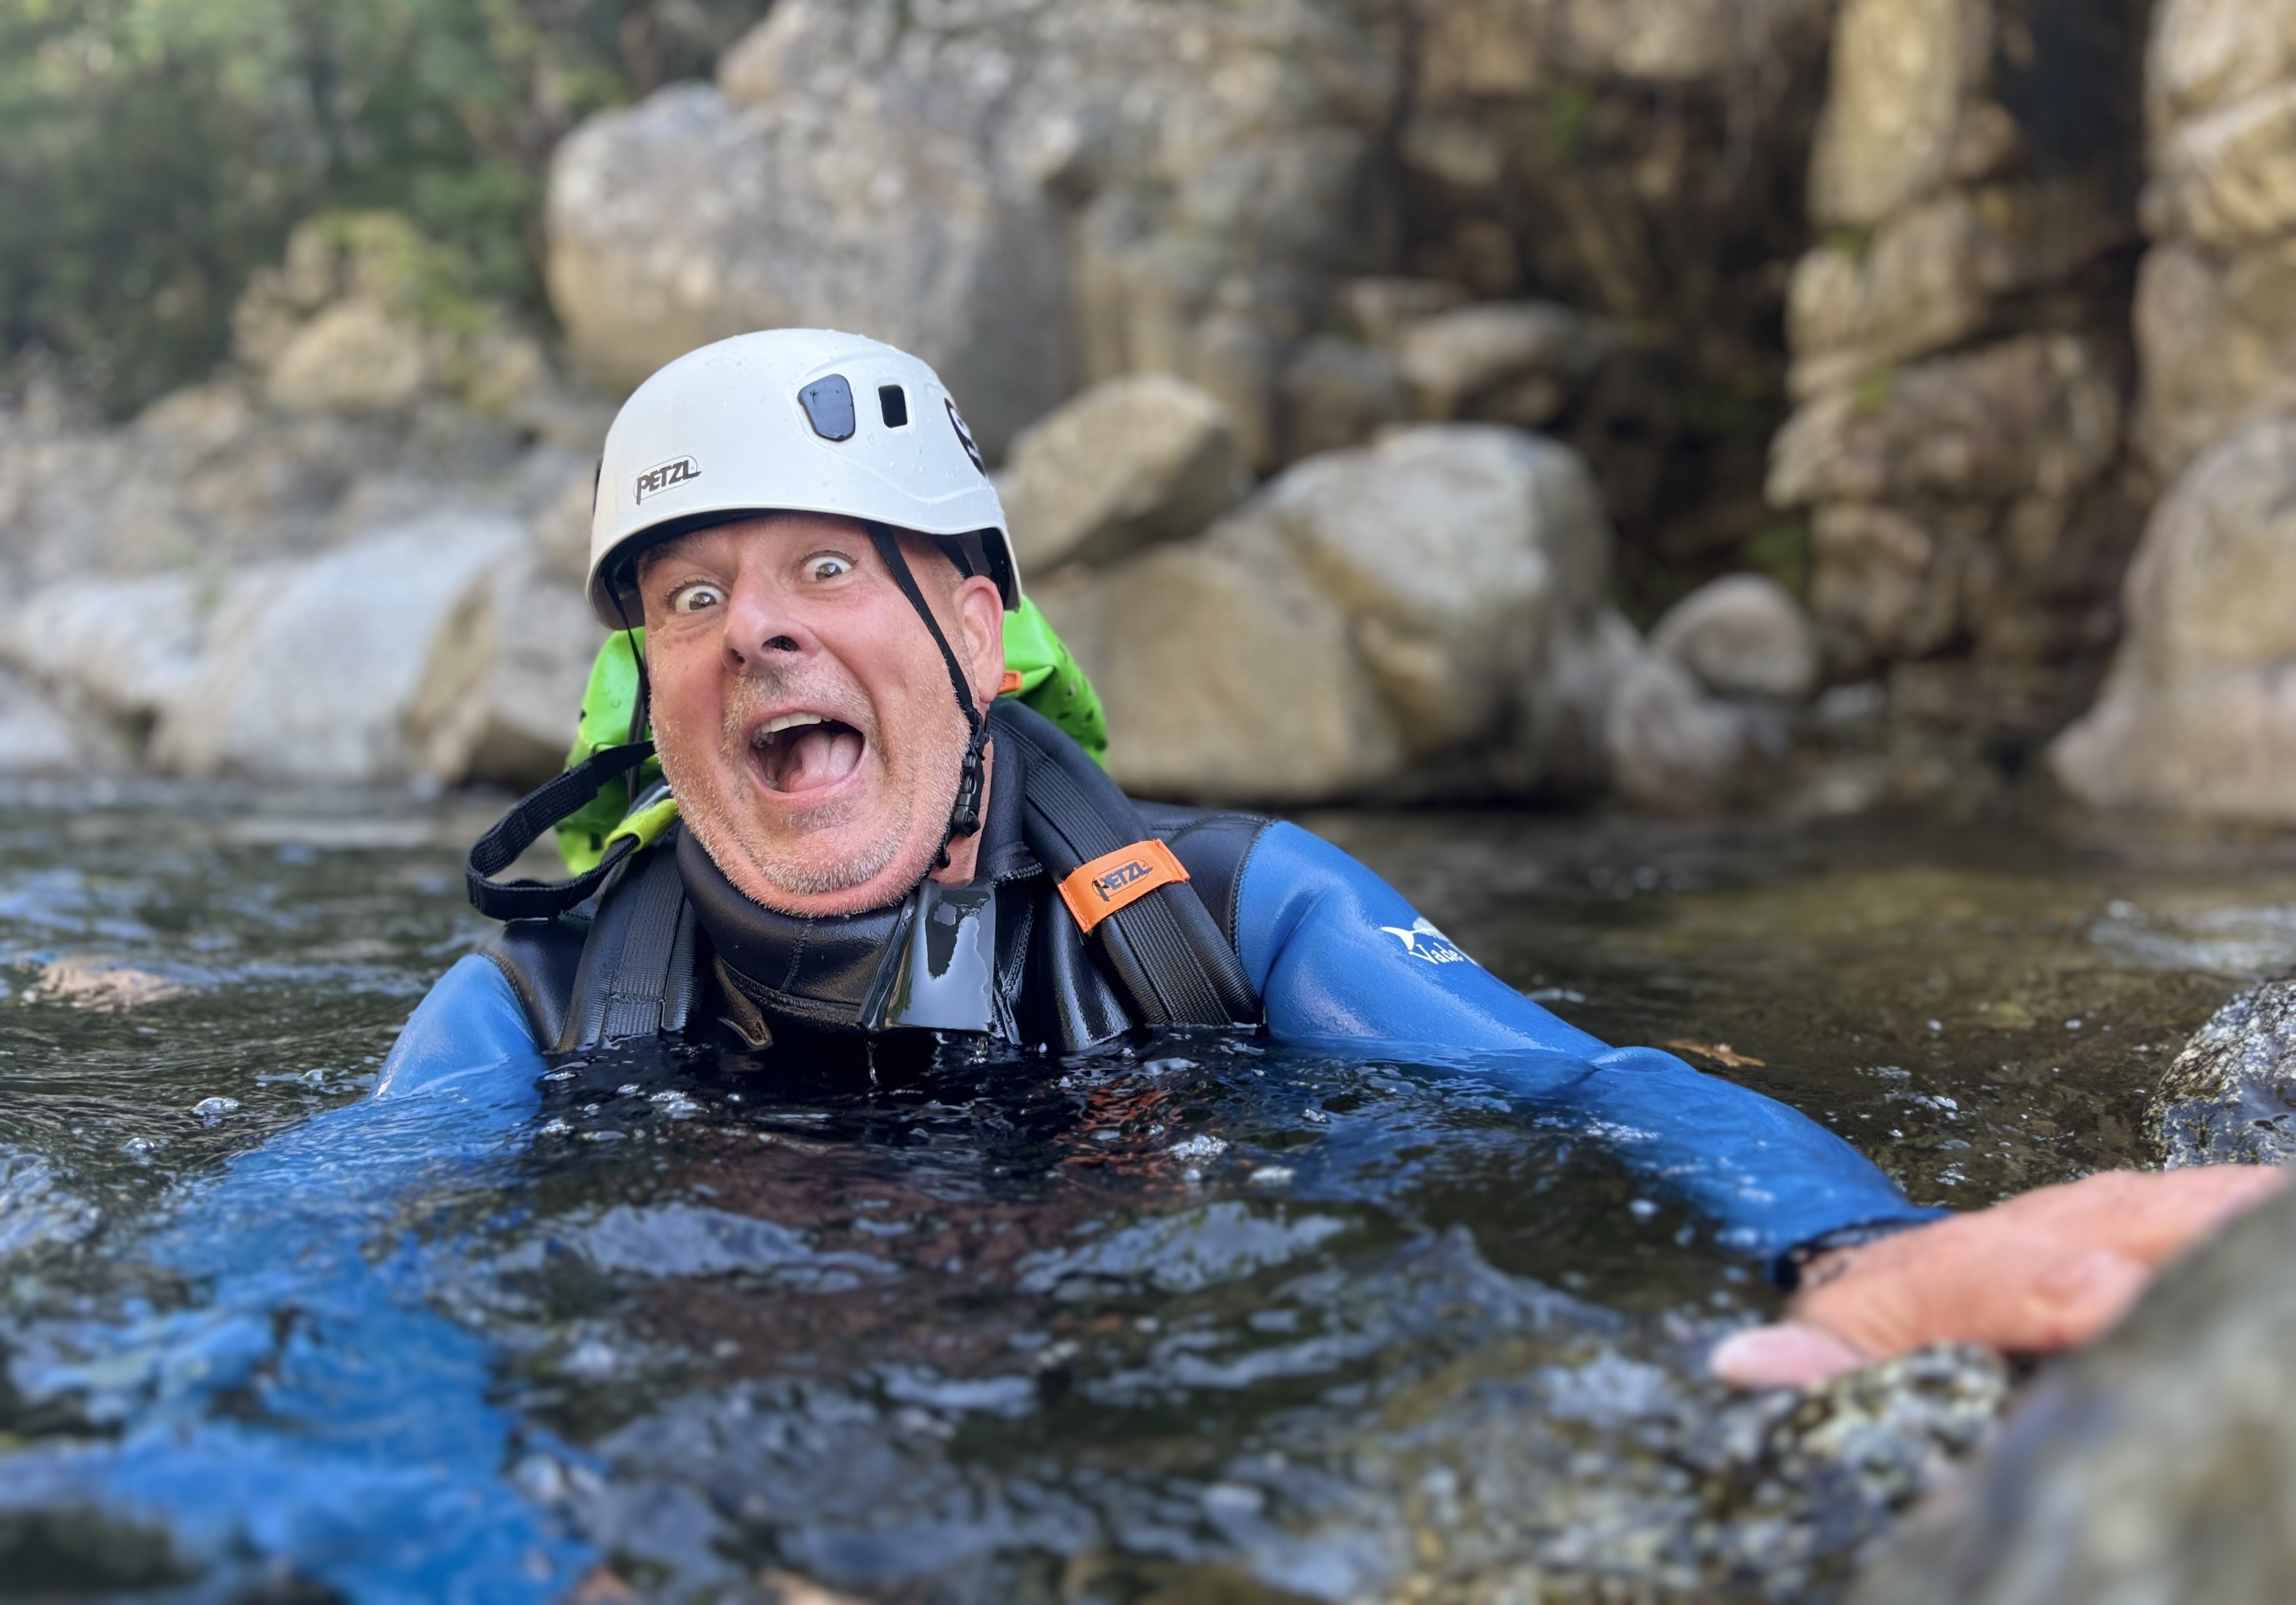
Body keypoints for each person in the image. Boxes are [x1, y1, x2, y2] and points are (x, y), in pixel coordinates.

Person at [388, 328, 2282, 1392]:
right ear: (652, 690)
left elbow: (1578, 1083)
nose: (760, 635)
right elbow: (309, 1272)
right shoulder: (531, 1013)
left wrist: (1862, 1246)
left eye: (825, 566)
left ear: (975, 631)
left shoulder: (1222, 920)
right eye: (695, 597)